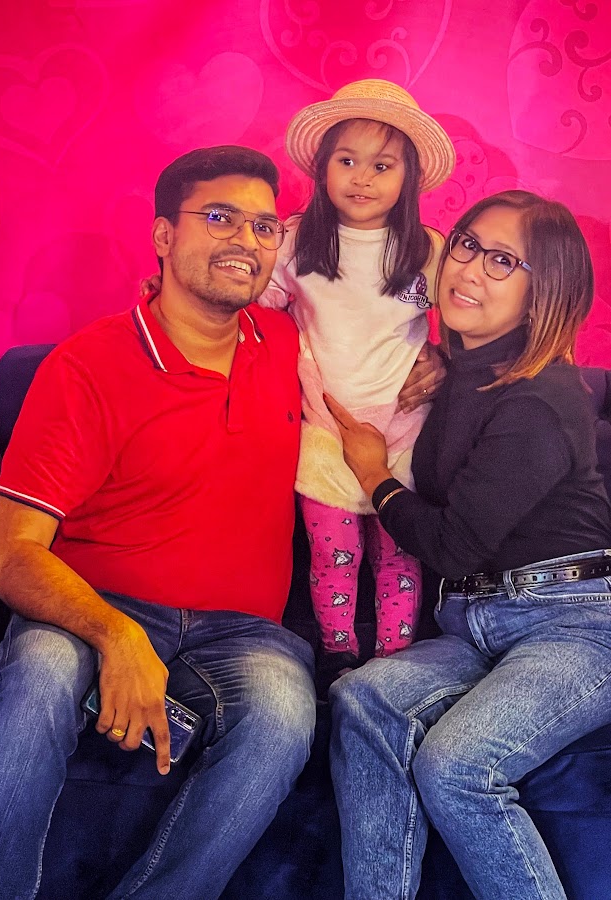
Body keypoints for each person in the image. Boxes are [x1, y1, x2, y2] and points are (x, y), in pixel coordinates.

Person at [0, 146, 319, 900]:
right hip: (95, 606)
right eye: (220, 218)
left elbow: (386, 341)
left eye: (264, 227)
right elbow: (8, 554)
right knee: (40, 675)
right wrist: (119, 636)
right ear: (163, 236)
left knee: (284, 715)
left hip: (240, 633)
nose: (246, 241)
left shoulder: (286, 345)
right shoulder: (88, 366)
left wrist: (434, 368)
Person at [324, 190, 611, 900]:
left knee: (457, 766)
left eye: (503, 260)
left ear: (545, 291)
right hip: (476, 627)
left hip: (580, 628)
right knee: (362, 699)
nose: (469, 268)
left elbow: (455, 545)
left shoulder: (540, 396)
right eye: (467, 245)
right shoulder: (458, 373)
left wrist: (375, 476)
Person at [262, 79, 456, 691]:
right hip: (325, 429)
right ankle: (337, 654)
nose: (362, 178)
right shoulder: (297, 240)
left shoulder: (426, 249)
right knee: (333, 555)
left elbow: (462, 325)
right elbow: (255, 306)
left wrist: (444, 362)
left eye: (382, 165)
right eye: (346, 161)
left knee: (399, 556)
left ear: (409, 177)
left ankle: (395, 662)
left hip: (405, 431)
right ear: (322, 168)